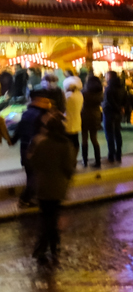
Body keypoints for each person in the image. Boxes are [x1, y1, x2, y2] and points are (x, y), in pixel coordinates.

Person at [28, 104, 75, 265]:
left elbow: (34, 163)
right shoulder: (65, 145)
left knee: (46, 218)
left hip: (43, 187)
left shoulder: (42, 143)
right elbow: (69, 168)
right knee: (52, 218)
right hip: (58, 188)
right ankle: (53, 247)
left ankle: (44, 249)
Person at [12, 89, 55, 208]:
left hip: (25, 148)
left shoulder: (27, 112)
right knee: (34, 177)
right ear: (38, 101)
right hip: (34, 150)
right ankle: (24, 199)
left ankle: (31, 197)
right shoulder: (40, 115)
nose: (48, 103)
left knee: (31, 175)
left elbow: (19, 129)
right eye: (45, 101)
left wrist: (13, 140)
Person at [80, 75, 104, 168]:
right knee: (94, 139)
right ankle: (98, 161)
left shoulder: (84, 93)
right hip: (96, 115)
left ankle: (85, 161)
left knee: (84, 138)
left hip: (85, 115)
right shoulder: (100, 93)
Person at [102, 71, 126, 163]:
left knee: (109, 134)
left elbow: (109, 101)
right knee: (117, 133)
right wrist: (121, 108)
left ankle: (111, 155)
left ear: (110, 76)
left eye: (107, 76)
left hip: (109, 113)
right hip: (118, 114)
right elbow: (125, 99)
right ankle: (118, 154)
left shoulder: (109, 88)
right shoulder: (122, 87)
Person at [63, 77, 83, 163]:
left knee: (68, 142)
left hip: (68, 122)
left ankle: (69, 160)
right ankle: (74, 159)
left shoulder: (68, 97)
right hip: (77, 121)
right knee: (75, 141)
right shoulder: (80, 95)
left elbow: (63, 108)